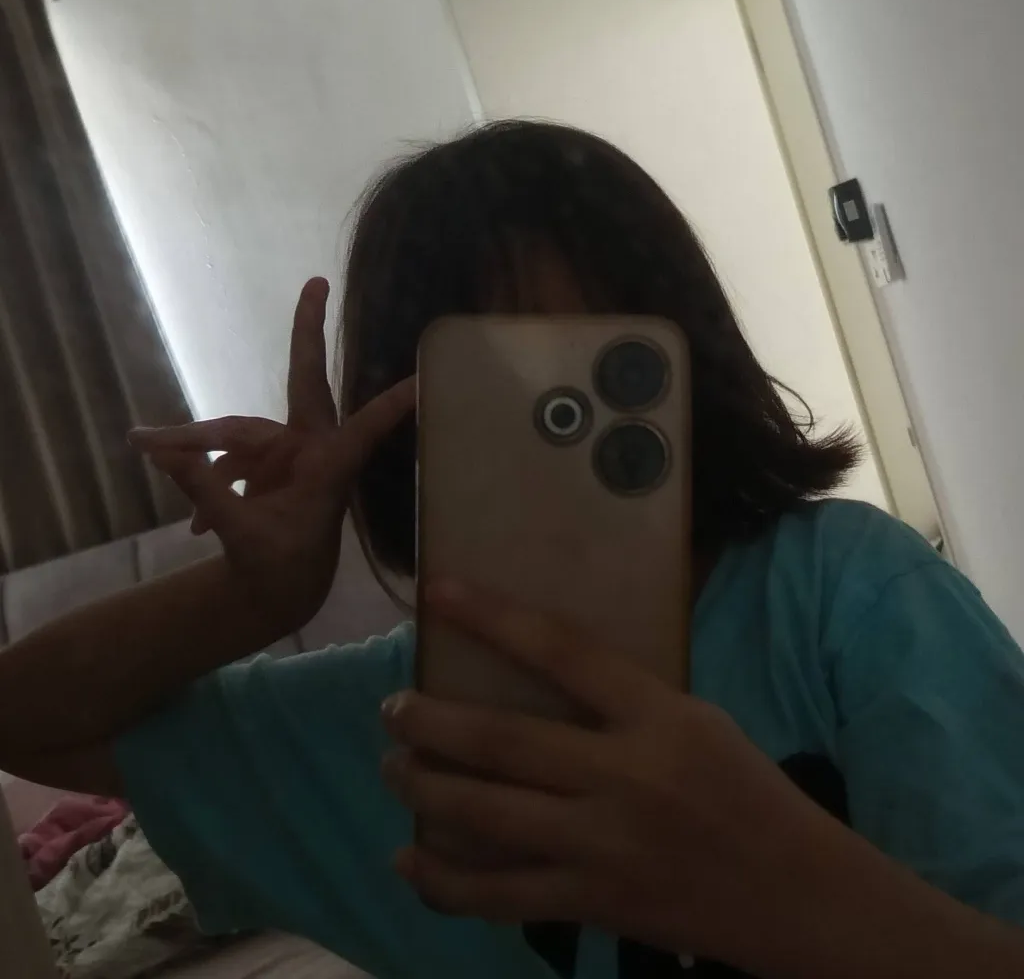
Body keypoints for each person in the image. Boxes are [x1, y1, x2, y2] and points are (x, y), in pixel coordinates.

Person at [1, 121, 1023, 979]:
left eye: (600, 375)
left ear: (690, 364)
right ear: (399, 427)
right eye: (488, 389)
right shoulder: (391, 722)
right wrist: (252, 595)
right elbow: (22, 715)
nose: (551, 434)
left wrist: (792, 895)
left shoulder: (851, 595)